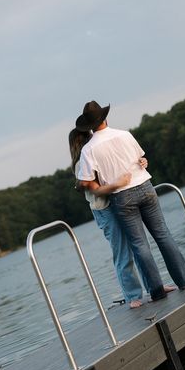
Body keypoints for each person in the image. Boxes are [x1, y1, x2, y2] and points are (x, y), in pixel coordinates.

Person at [76, 101, 185, 302]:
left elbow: (85, 181)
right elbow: (141, 159)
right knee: (163, 235)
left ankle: (157, 291)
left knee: (140, 245)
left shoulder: (89, 149)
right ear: (105, 118)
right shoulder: (125, 134)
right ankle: (184, 281)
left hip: (121, 196)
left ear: (89, 126)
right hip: (146, 187)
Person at [69, 127, 152, 308]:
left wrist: (141, 162)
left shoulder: (97, 153)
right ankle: (133, 296)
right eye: (88, 136)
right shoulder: (81, 165)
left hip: (121, 202)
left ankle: (153, 287)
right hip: (105, 210)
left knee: (138, 246)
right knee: (122, 252)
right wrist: (119, 183)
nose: (93, 138)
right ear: (80, 143)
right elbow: (98, 190)